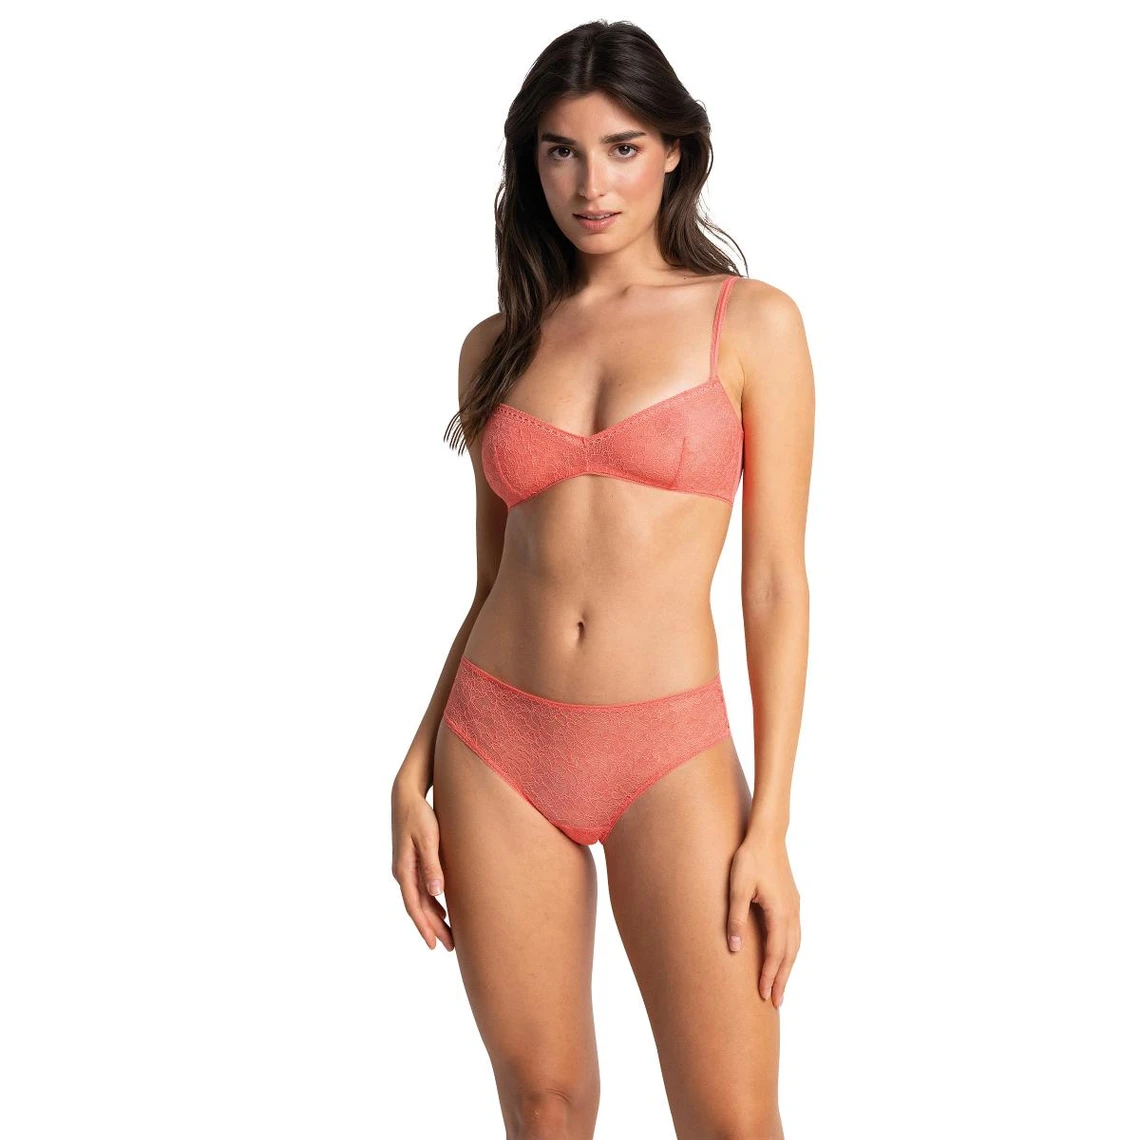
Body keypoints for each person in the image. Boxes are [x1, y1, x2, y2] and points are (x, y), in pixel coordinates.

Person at [391, 19, 813, 1140]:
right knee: (545, 1108)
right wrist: (414, 765)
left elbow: (775, 584)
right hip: (495, 746)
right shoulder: (497, 345)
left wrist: (771, 823)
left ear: (675, 149)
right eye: (561, 151)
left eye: (623, 148)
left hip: (669, 750)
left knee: (732, 1121)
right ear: (530, 163)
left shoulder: (751, 323)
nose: (591, 184)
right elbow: (493, 582)